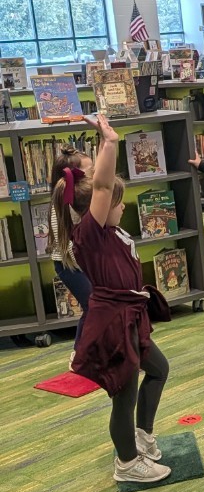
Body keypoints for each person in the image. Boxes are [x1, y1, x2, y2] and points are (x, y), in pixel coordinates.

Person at [52, 115, 171, 485]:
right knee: (124, 392)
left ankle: (141, 437)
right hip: (113, 323)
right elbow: (102, 186)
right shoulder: (90, 233)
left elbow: (104, 189)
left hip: (130, 318)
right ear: (99, 209)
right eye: (117, 202)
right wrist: (109, 142)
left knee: (158, 369)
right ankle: (127, 463)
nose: (122, 206)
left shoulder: (111, 231)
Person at [48, 144, 93, 358]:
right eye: (89, 172)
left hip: (83, 263)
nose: (93, 175)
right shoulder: (63, 207)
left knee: (100, 306)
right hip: (70, 266)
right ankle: (79, 355)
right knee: (92, 305)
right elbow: (69, 248)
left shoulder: (85, 198)